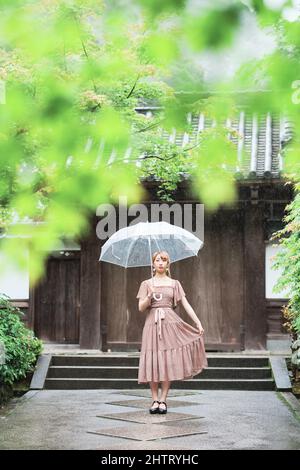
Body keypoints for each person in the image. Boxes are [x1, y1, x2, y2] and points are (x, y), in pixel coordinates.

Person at [136, 250, 208, 415]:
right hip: (151, 324)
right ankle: (154, 399)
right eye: (157, 260)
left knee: (167, 360)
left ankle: (163, 400)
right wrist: (149, 296)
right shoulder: (146, 283)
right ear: (153, 264)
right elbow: (141, 308)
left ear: (168, 264)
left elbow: (186, 304)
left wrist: (197, 322)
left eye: (164, 260)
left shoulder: (174, 283)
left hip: (170, 323)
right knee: (153, 360)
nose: (160, 263)